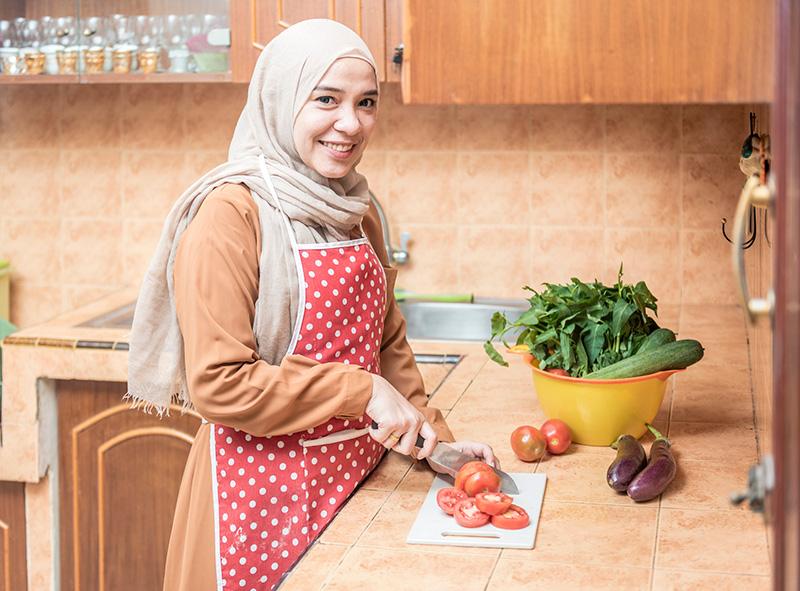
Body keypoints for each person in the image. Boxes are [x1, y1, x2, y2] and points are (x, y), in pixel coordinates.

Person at [127, 19, 497, 591]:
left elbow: (386, 341)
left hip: (355, 482)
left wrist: (434, 440)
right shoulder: (231, 214)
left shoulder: (357, 208)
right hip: (254, 503)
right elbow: (219, 384)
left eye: (366, 102)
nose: (350, 124)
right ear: (281, 100)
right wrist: (359, 389)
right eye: (326, 99)